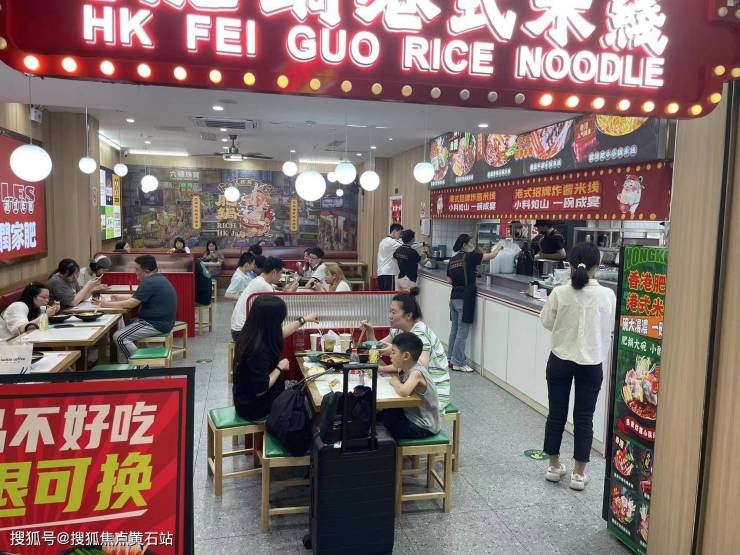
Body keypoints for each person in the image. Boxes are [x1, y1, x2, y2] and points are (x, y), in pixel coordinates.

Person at [539, 243, 616, 491]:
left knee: (556, 414)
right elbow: (610, 326)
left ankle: (553, 466)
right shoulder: (607, 295)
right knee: (584, 417)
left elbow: (547, 322)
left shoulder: (559, 292)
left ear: (570, 264)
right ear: (597, 266)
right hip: (591, 363)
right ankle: (579, 474)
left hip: (560, 360)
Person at [361, 289, 451, 411]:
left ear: (408, 315)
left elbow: (420, 366)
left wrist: (388, 359)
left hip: (433, 394)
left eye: (393, 312)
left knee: (384, 407)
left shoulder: (420, 334)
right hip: (412, 385)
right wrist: (370, 331)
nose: (389, 316)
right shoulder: (398, 329)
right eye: (389, 311)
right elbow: (377, 347)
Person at [233, 295, 317, 421]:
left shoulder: (251, 334)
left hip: (244, 399)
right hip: (255, 408)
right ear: (272, 321)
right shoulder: (258, 350)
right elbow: (260, 389)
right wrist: (279, 367)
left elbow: (282, 332)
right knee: (307, 404)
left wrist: (304, 319)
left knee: (300, 389)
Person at [95, 255, 178, 362]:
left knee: (119, 337)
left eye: (137, 269)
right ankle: (140, 358)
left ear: (146, 271)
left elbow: (131, 303)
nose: (135, 272)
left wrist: (104, 304)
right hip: (163, 322)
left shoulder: (149, 282)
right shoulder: (157, 278)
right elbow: (137, 297)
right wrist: (119, 297)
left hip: (155, 324)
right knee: (129, 327)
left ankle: (141, 365)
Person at [446, 234, 503, 373]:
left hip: (453, 297)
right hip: (464, 298)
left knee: (454, 329)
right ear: (465, 244)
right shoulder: (470, 256)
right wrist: (499, 247)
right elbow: (491, 256)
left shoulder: (453, 259)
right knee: (462, 331)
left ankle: (450, 358)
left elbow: (449, 280)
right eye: (471, 242)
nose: (473, 244)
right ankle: (457, 362)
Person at [377, 332, 440, 440]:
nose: (390, 355)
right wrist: (380, 368)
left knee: (383, 425)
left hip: (423, 425)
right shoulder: (406, 365)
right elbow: (394, 367)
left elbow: (404, 392)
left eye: (393, 352)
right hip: (411, 415)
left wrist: (395, 381)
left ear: (406, 356)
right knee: (380, 415)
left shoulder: (416, 373)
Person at [230, 256, 282, 341]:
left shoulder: (258, 280)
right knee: (277, 333)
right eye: (281, 273)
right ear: (274, 272)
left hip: (237, 330)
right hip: (243, 333)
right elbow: (277, 306)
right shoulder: (264, 285)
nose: (281, 276)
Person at [377, 224, 403, 291]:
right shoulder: (392, 242)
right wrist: (423, 244)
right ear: (394, 231)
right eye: (400, 233)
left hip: (381, 273)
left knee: (383, 296)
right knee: (390, 296)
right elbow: (407, 245)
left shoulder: (383, 241)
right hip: (389, 273)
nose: (400, 236)